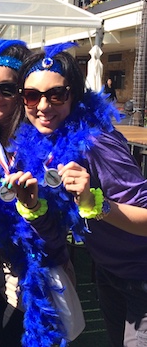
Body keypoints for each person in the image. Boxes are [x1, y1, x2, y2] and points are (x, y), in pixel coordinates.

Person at [12, 42, 147, 347]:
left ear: (74, 95)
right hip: (109, 272)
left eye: (56, 94)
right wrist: (32, 206)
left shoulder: (96, 143)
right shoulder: (39, 146)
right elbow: (58, 228)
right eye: (32, 96)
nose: (43, 106)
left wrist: (95, 205)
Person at [0, 40, 85, 347]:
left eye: (7, 89)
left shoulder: (46, 136)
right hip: (10, 271)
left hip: (41, 277)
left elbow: (59, 233)